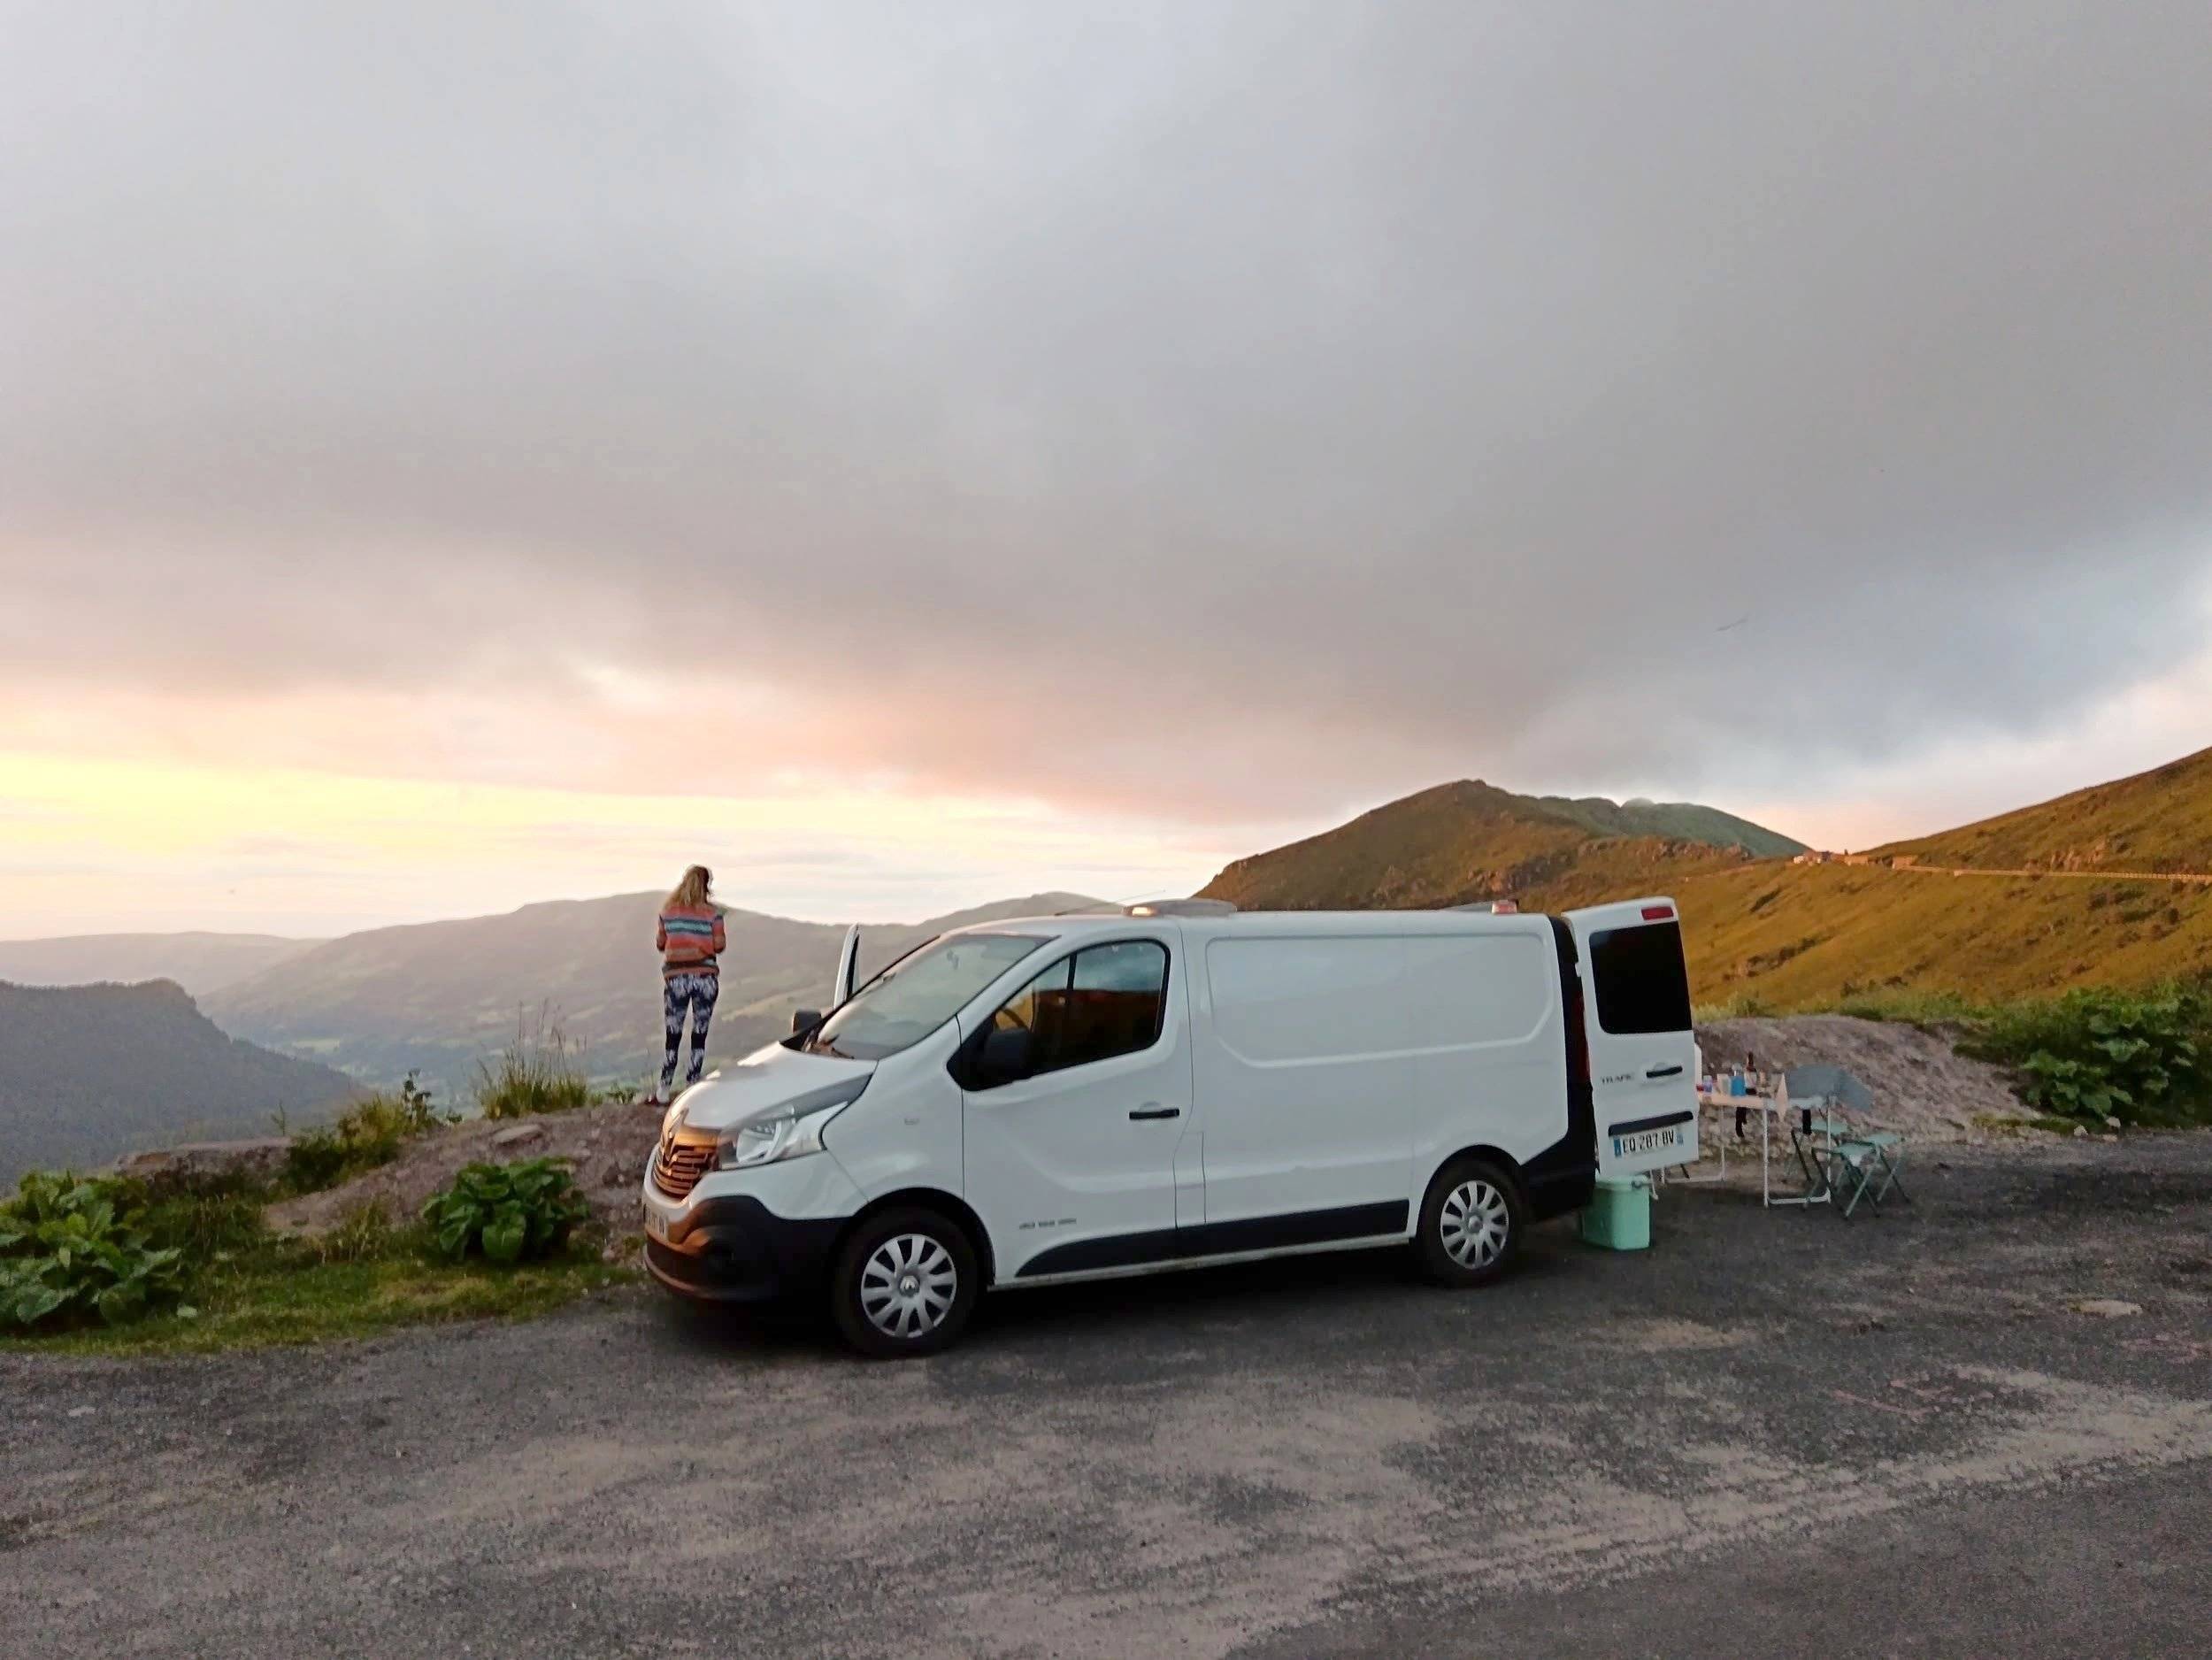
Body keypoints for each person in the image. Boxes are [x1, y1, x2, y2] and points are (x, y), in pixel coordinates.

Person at [652, 865, 727, 1103]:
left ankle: (664, 1087)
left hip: (676, 979)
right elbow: (720, 946)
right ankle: (692, 1083)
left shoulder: (668, 912)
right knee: (699, 1033)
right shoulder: (713, 914)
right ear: (707, 886)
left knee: (673, 1033)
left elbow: (660, 944)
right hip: (705, 978)